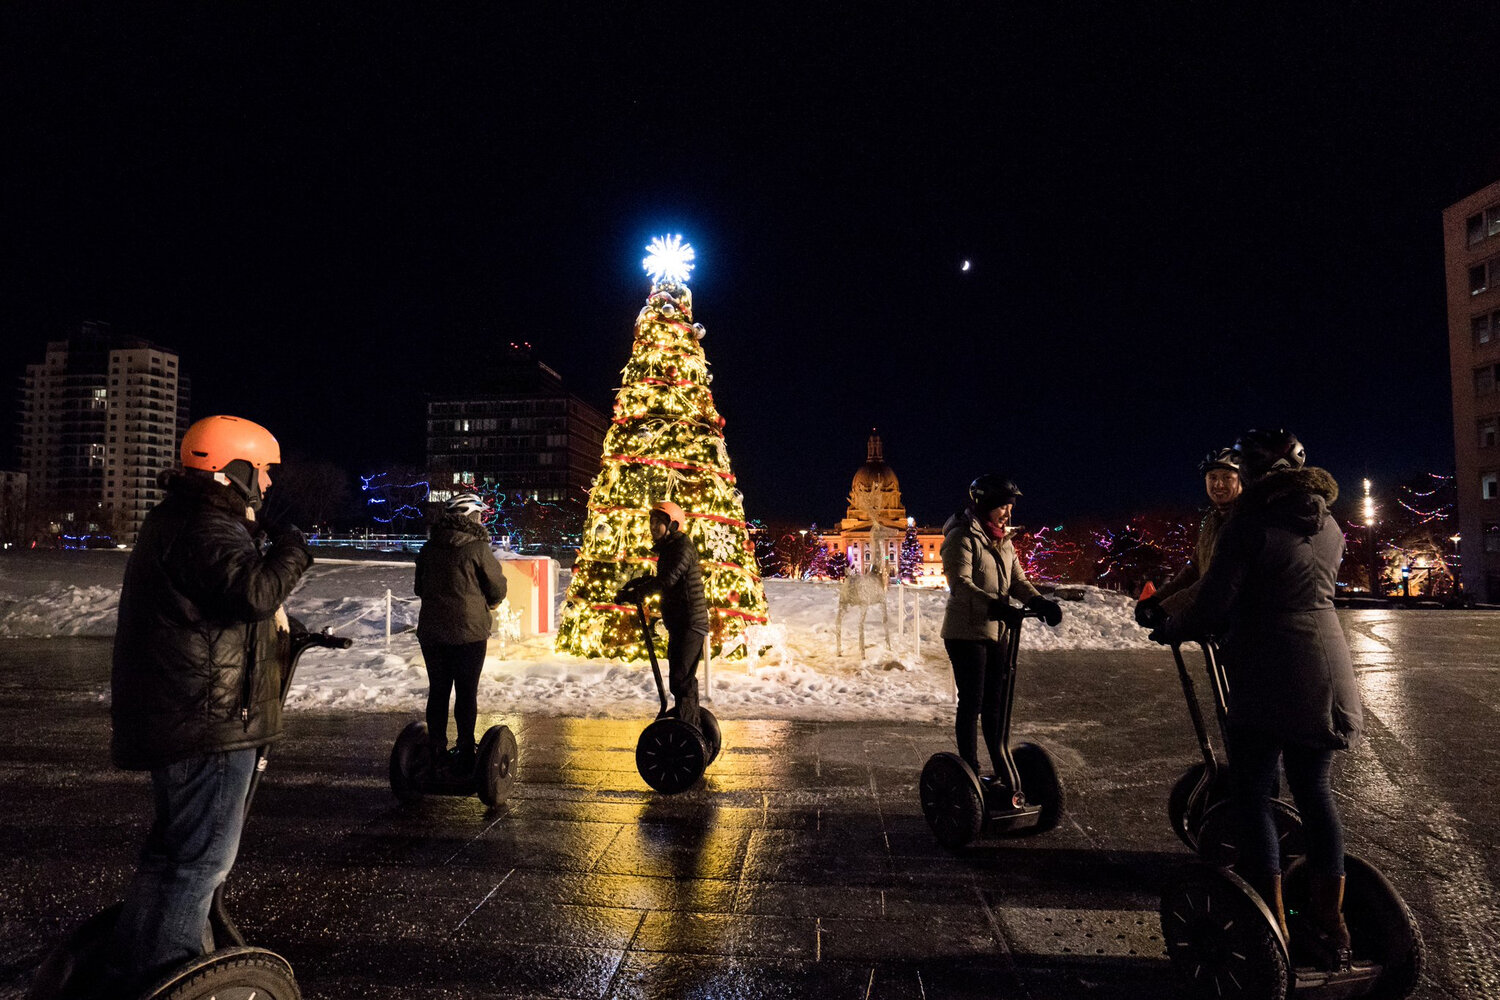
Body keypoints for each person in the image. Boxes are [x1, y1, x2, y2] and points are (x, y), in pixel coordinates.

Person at [107, 415, 313, 990]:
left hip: (191, 713)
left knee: (173, 856)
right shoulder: (203, 525)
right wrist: (293, 548)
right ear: (235, 470)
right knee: (200, 863)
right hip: (209, 721)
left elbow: (220, 608)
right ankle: (168, 977)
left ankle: (135, 972)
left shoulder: (188, 518)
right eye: (264, 472)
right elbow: (252, 592)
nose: (269, 484)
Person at [1148, 429, 1362, 970]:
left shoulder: (1250, 523)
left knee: (1252, 792)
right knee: (1316, 791)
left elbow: (1215, 602)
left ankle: (1271, 925)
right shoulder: (1329, 522)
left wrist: (1172, 625)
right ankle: (1331, 923)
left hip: (1269, 665)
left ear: (1259, 474)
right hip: (1327, 664)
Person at [939, 474, 1063, 780]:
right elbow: (960, 584)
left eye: (1010, 507)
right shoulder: (962, 536)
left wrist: (1039, 603)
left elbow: (1018, 581)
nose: (1008, 514)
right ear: (985, 506)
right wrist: (994, 605)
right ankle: (970, 770)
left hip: (997, 630)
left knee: (996, 703)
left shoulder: (1003, 541)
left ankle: (1002, 766)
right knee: (973, 701)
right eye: (1003, 507)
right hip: (965, 633)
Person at [414, 491, 507, 776]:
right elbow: (497, 588)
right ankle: (466, 749)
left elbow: (419, 588)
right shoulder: (478, 549)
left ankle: (436, 750)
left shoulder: (429, 549)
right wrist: (488, 603)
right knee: (466, 692)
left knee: (439, 691)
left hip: (432, 632)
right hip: (469, 632)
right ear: (471, 518)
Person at [618, 501, 709, 728]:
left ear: (674, 525)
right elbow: (663, 578)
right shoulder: (671, 548)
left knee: (682, 679)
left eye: (659, 522)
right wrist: (637, 584)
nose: (653, 527)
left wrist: (639, 592)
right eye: (652, 522)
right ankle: (688, 722)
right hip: (681, 623)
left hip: (690, 622)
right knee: (680, 679)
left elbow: (669, 579)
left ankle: (688, 729)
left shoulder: (682, 547)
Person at [1135, 446, 1243, 628]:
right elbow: (1193, 570)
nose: (1218, 484)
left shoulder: (1244, 522)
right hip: (1221, 621)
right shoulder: (1212, 521)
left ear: (1243, 481)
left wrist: (1166, 609)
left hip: (1243, 623)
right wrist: (1155, 599)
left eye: (1227, 478)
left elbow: (1218, 581)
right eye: (1212, 478)